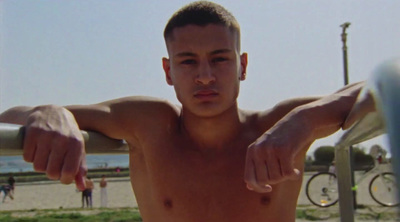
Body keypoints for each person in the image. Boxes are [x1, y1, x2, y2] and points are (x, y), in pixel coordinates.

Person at [0, 1, 372, 221]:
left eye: (220, 59)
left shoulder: (278, 125)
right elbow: (8, 119)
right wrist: (49, 112)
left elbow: (384, 86)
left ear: (243, 65)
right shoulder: (150, 124)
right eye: (189, 61)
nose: (205, 76)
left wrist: (304, 121)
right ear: (168, 71)